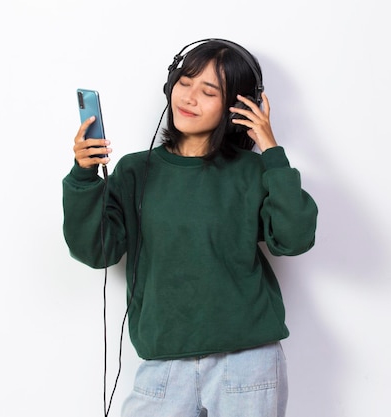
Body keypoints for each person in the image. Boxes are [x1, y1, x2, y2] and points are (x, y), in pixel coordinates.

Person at [62, 39, 318, 417]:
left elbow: (294, 239)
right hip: (163, 366)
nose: (189, 97)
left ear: (236, 106)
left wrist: (271, 149)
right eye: (184, 82)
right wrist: (84, 176)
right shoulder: (135, 171)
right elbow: (96, 251)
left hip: (246, 363)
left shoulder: (252, 171)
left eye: (209, 90)